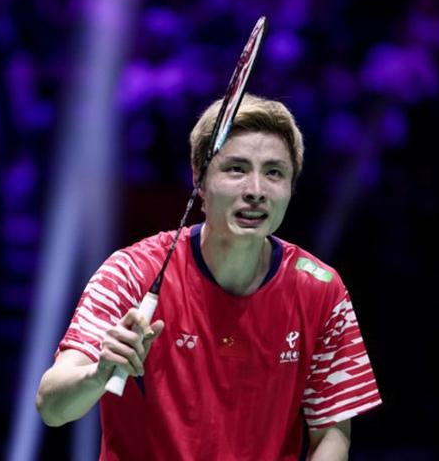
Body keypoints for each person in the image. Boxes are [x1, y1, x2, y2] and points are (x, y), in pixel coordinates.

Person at [36, 94, 382, 459]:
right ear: (200, 181)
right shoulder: (133, 274)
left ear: (291, 188)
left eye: (274, 173)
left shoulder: (321, 291)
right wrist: (98, 374)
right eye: (236, 169)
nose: (256, 191)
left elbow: (331, 433)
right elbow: (52, 406)